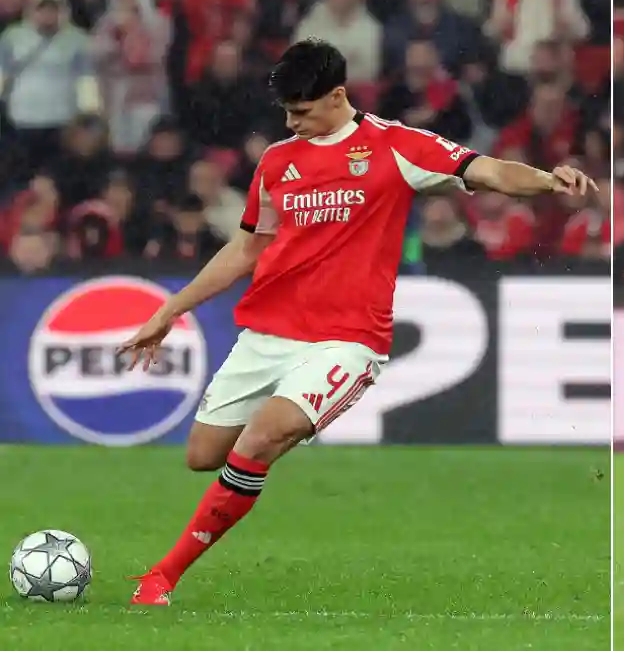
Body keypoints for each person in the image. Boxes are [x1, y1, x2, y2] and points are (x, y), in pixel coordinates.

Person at [118, 38, 596, 606]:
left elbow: (484, 168)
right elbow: (245, 250)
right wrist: (170, 310)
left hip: (347, 340)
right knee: (203, 455)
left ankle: (162, 577)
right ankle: (272, 443)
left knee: (261, 438)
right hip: (270, 333)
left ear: (338, 95)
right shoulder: (277, 162)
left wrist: (547, 179)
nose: (292, 124)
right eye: (286, 113)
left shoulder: (395, 147)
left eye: (302, 112)